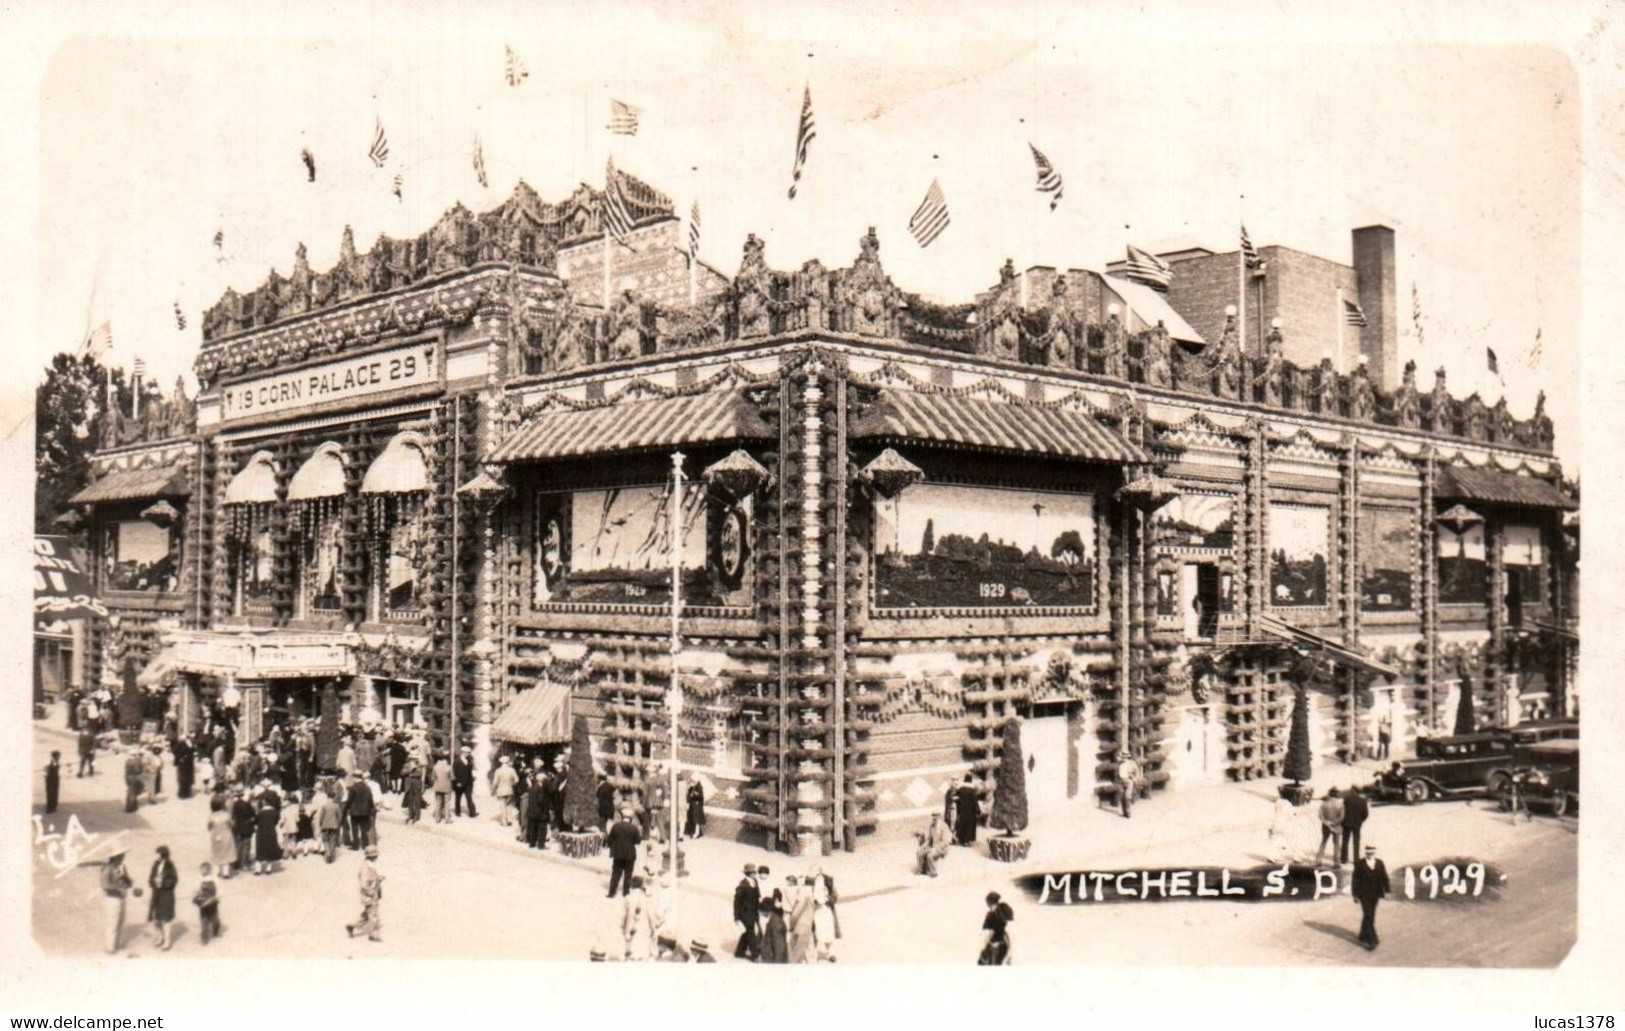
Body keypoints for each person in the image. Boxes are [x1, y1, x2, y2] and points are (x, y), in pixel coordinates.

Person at [1351, 843, 1390, 951]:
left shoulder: (1380, 863)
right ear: (1365, 852)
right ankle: (1372, 940)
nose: (1370, 854)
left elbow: (1384, 877)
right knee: (1368, 915)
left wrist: (1387, 891)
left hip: (1376, 893)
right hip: (1363, 894)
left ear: (1374, 852)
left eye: (1372, 852)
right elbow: (1355, 879)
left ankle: (1362, 935)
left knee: (1370, 915)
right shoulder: (1359, 863)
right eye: (1368, 852)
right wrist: (1354, 894)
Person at [100, 843, 134, 955]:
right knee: (112, 922)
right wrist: (118, 889)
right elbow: (105, 885)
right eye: (121, 855)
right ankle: (110, 947)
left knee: (120, 922)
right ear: (115, 857)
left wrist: (128, 882)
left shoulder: (122, 867)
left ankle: (116, 944)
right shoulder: (107, 868)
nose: (123, 857)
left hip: (121, 898)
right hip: (112, 899)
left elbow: (127, 881)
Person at [346, 845, 384, 943]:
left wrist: (378, 879)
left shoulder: (368, 865)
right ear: (372, 856)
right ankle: (373, 935)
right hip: (369, 895)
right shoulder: (365, 868)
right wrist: (371, 892)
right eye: (376, 855)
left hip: (371, 894)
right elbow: (364, 884)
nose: (377, 857)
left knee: (367, 914)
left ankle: (352, 926)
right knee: (374, 915)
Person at [146, 845, 178, 950]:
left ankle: (167, 941)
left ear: (163, 855)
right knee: (156, 919)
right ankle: (160, 937)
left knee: (166, 919)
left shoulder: (170, 865)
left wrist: (162, 883)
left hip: (166, 895)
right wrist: (153, 881)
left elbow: (174, 880)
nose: (157, 856)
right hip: (156, 894)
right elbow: (150, 877)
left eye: (158, 854)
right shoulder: (156, 864)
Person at [606, 806, 641, 898]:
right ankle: (626, 892)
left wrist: (614, 847)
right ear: (631, 818)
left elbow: (609, 840)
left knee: (616, 873)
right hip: (630, 855)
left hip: (617, 854)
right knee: (628, 874)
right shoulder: (634, 828)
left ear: (622, 817)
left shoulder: (616, 826)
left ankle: (611, 892)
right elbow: (638, 841)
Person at [733, 862, 761, 960]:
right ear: (748, 873)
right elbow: (737, 903)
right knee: (751, 933)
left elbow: (757, 896)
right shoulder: (742, 886)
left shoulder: (755, 881)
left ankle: (739, 952)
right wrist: (736, 917)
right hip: (744, 914)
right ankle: (755, 955)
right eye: (753, 872)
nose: (755, 873)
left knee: (747, 933)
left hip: (753, 912)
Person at [977, 891, 1015, 965]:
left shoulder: (990, 915)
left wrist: (982, 948)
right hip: (1003, 945)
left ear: (988, 902)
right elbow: (1007, 930)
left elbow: (988, 933)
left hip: (993, 946)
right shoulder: (1003, 911)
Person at [622, 878, 654, 961]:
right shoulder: (646, 898)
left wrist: (622, 927)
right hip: (643, 927)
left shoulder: (628, 897)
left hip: (630, 926)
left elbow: (623, 915)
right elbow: (651, 915)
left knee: (630, 949)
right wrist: (653, 927)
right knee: (642, 951)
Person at [254, 784, 282, 875]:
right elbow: (276, 821)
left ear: (265, 802)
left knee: (260, 850)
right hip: (271, 832)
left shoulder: (260, 813)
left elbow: (256, 821)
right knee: (269, 849)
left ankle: (258, 869)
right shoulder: (274, 812)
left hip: (261, 832)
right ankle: (268, 869)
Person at [193, 863, 223, 945]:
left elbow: (219, 889)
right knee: (204, 919)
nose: (202, 871)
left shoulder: (215, 879)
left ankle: (216, 928)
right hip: (204, 903)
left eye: (204, 869)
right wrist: (196, 895)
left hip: (213, 902)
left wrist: (217, 897)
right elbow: (196, 889)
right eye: (201, 869)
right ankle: (204, 937)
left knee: (214, 918)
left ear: (209, 870)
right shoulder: (199, 879)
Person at [1315, 788, 1346, 867]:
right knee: (1336, 844)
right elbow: (1341, 817)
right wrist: (1333, 823)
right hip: (1336, 826)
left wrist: (1327, 823)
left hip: (1325, 826)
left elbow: (1320, 816)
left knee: (1323, 843)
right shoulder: (1340, 804)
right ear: (1336, 794)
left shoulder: (1324, 804)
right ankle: (1336, 862)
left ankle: (1318, 860)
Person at [915, 812, 952, 877]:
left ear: (940, 818)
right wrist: (923, 846)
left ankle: (933, 873)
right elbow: (929, 839)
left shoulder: (944, 827)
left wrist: (935, 849)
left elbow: (945, 842)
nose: (934, 820)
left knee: (930, 855)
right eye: (933, 819)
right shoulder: (932, 826)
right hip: (933, 847)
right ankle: (921, 870)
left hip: (942, 849)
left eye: (936, 819)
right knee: (920, 853)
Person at [207, 796, 236, 877]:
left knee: (217, 852)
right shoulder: (226, 815)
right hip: (226, 835)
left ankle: (218, 871)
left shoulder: (211, 816)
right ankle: (225, 872)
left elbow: (209, 827)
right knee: (226, 852)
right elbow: (232, 824)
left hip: (216, 836)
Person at [1267, 793, 1301, 862]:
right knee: (1291, 841)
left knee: (1275, 840)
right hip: (1285, 824)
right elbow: (1291, 816)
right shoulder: (1288, 804)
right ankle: (1296, 857)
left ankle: (1271, 856)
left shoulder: (1278, 802)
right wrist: (1295, 814)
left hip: (1276, 822)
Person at [1340, 787, 1370, 864]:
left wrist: (1343, 821)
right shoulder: (1363, 801)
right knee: (1356, 842)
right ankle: (1356, 860)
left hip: (1346, 823)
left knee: (1345, 841)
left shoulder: (1347, 799)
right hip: (1357, 824)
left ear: (1352, 791)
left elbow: (1342, 810)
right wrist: (1360, 821)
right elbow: (1366, 814)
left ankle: (1344, 859)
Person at [347, 772, 376, 848]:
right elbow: (370, 799)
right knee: (364, 828)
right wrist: (371, 808)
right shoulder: (367, 787)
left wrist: (347, 809)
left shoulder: (353, 788)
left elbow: (349, 800)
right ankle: (364, 844)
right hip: (365, 812)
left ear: (355, 778)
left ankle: (356, 845)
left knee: (355, 829)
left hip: (355, 812)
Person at [230, 790, 256, 874]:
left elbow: (233, 815)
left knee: (238, 844)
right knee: (246, 845)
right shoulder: (247, 804)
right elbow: (253, 814)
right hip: (247, 826)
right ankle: (244, 863)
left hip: (237, 826)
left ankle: (236, 862)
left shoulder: (235, 804)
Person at [812, 880, 837, 962]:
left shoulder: (828, 881)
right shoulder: (809, 881)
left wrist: (828, 899)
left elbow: (835, 896)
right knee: (815, 932)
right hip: (815, 910)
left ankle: (830, 953)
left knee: (828, 931)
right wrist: (814, 901)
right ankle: (814, 955)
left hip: (826, 910)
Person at [316, 784, 343, 863]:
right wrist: (339, 824)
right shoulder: (336, 806)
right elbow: (340, 816)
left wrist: (320, 824)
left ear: (327, 796)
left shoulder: (324, 806)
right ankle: (331, 853)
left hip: (325, 825)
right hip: (334, 826)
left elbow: (321, 816)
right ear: (334, 796)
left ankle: (327, 852)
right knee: (332, 840)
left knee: (325, 840)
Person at [759, 896, 789, 964]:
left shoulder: (775, 924)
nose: (760, 913)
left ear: (765, 911)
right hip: (769, 958)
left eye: (760, 911)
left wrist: (776, 967)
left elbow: (779, 947)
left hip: (773, 961)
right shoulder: (772, 919)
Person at [952, 773, 980, 845]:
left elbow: (956, 799)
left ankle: (961, 839)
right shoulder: (972, 791)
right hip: (970, 812)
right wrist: (978, 810)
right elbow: (975, 802)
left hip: (962, 811)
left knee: (962, 825)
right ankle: (966, 841)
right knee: (969, 826)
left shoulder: (960, 789)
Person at [491, 755, 518, 826]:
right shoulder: (512, 770)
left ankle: (504, 822)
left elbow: (495, 782)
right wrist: (511, 784)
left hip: (501, 790)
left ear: (501, 762)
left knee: (502, 806)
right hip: (509, 790)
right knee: (509, 805)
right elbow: (517, 780)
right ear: (507, 762)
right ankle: (509, 820)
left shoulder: (498, 770)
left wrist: (493, 790)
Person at [525, 772, 551, 849]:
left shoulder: (532, 787)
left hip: (532, 812)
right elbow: (541, 801)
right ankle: (541, 845)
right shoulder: (540, 789)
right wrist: (546, 807)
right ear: (542, 780)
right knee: (542, 829)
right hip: (540, 812)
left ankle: (532, 843)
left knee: (533, 828)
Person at [1115, 751, 1142, 819]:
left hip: (1129, 781)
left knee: (1127, 796)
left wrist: (1135, 778)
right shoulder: (1119, 764)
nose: (1122, 758)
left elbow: (1137, 772)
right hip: (1121, 782)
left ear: (1127, 757)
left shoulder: (1132, 763)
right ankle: (1124, 813)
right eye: (1122, 757)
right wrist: (1117, 780)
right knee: (1122, 797)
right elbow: (1117, 773)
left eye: (1123, 757)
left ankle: (1128, 812)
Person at [452, 746, 478, 818]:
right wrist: (457, 782)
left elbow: (473, 769)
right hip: (459, 783)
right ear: (463, 752)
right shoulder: (457, 761)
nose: (469, 754)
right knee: (458, 798)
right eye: (467, 753)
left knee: (469, 797)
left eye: (469, 753)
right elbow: (454, 772)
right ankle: (458, 812)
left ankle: (472, 813)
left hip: (469, 783)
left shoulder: (469, 760)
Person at [431, 753, 454, 824]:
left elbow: (433, 777)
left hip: (437, 787)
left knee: (438, 803)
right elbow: (453, 778)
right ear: (447, 759)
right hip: (447, 787)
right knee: (447, 803)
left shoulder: (435, 767)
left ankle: (437, 818)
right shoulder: (449, 767)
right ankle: (447, 819)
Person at [402, 759, 424, 824]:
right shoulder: (407, 764)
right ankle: (410, 815)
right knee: (410, 800)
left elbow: (420, 773)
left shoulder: (418, 764)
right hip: (409, 783)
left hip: (416, 782)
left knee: (417, 800)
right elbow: (402, 773)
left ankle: (417, 816)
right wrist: (410, 769)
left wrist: (416, 768)